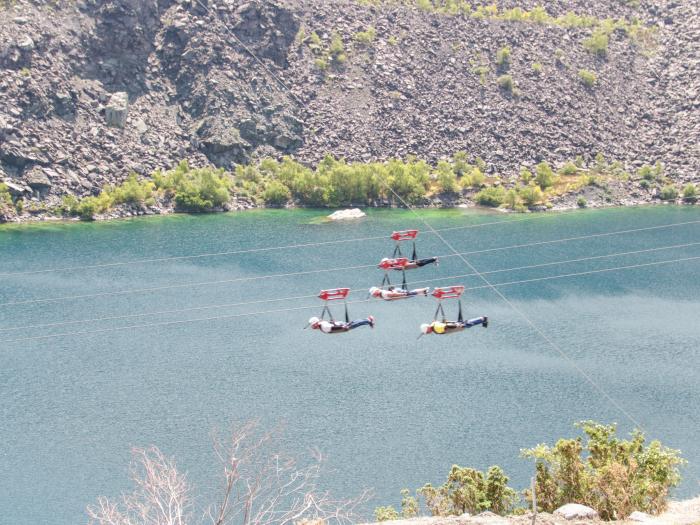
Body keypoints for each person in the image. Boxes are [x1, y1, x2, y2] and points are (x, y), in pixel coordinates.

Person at [420, 316, 488, 335]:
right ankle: (482, 319)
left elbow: (446, 326)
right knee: (467, 323)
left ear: (428, 328)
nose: (428, 333)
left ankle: (482, 319)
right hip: (453, 324)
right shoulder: (433, 324)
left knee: (467, 324)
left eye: (427, 332)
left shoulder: (436, 328)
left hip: (455, 327)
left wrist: (458, 325)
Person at [308, 315, 375, 334]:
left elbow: (333, 328)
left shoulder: (323, 327)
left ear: (316, 323)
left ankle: (368, 320)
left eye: (313, 325)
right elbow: (330, 325)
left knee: (355, 324)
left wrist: (343, 327)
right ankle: (367, 320)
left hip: (340, 327)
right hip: (339, 325)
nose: (313, 327)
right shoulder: (322, 324)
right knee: (354, 323)